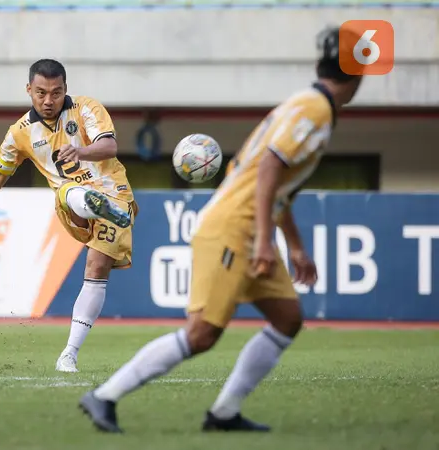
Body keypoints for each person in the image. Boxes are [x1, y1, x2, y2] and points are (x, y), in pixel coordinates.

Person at [79, 25, 364, 433]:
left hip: (247, 226)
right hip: (234, 228)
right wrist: (266, 241)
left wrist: (295, 247)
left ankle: (224, 413)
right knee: (201, 334)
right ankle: (104, 396)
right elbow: (268, 170)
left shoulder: (307, 104)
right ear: (357, 77)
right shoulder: (316, 110)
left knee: (287, 318)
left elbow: (277, 185)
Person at [0, 59, 138, 373]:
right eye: (41, 93)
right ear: (29, 90)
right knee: (68, 191)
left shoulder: (87, 109)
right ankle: (86, 201)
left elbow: (109, 146)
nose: (49, 100)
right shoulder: (19, 133)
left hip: (115, 195)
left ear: (66, 90)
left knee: (97, 266)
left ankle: (68, 355)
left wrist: (81, 152)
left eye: (57, 93)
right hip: (70, 203)